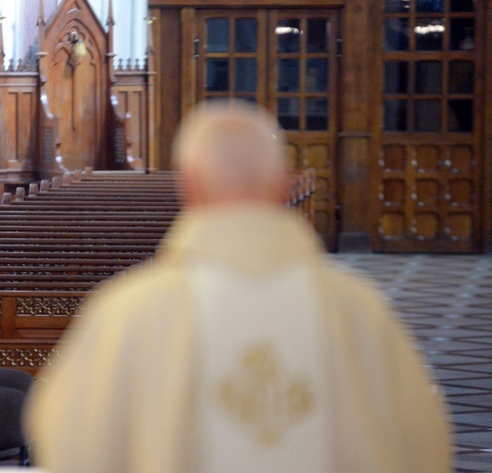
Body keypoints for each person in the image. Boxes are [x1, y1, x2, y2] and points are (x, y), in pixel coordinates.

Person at [27, 102, 452, 472]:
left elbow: (69, 440)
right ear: (282, 184)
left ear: (188, 186)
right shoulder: (356, 308)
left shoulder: (132, 310)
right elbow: (423, 445)